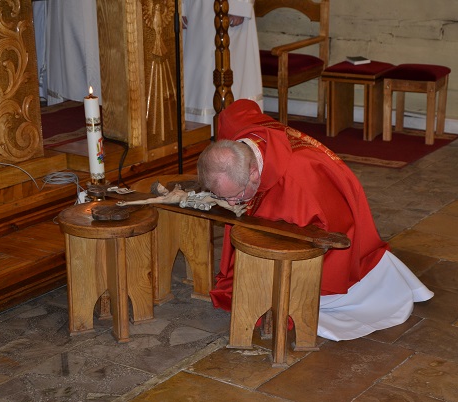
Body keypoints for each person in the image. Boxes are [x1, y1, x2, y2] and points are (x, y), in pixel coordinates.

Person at [197, 99, 434, 341]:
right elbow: (239, 109)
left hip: (327, 200)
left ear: (253, 173)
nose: (231, 204)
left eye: (235, 196)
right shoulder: (240, 135)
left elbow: (335, 228)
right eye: (222, 197)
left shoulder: (300, 180)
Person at [182, 0, 263, 132]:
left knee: (228, 66)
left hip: (229, 9)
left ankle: (231, 128)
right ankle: (200, 128)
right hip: (196, 9)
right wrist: (181, 7)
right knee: (198, 66)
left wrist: (240, 6)